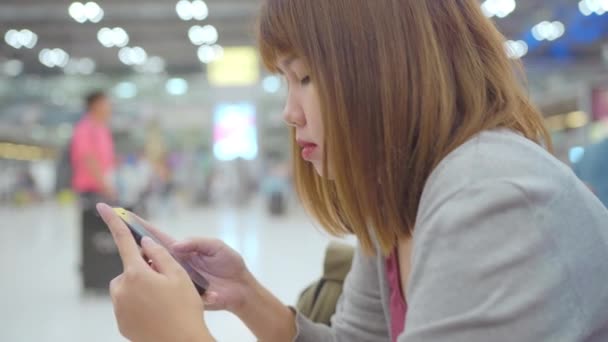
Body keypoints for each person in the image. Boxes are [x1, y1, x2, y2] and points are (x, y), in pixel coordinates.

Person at [96, 1, 608, 341]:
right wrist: (247, 296)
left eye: (307, 77)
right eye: (285, 81)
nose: (289, 112)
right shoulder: (399, 200)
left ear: (384, 70)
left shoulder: (489, 199)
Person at [71, 90, 117, 203]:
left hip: (103, 187)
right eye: (106, 103)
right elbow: (88, 158)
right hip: (91, 189)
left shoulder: (103, 129)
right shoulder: (85, 128)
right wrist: (105, 185)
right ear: (95, 105)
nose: (109, 107)